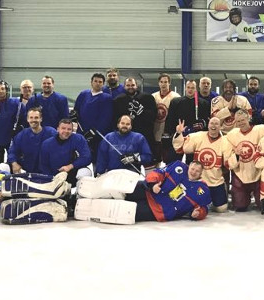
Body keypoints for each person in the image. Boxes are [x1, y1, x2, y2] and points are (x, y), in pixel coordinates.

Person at [75, 161, 211, 224]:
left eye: (197, 171)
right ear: (189, 166)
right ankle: (83, 193)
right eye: (192, 169)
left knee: (123, 210)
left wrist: (198, 214)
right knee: (121, 188)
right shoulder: (178, 167)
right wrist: (152, 185)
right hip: (150, 192)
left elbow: (204, 208)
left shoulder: (202, 190)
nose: (193, 172)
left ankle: (84, 209)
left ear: (201, 174)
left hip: (159, 209)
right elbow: (158, 173)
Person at [173, 117, 235, 213]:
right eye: (211, 123)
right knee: (189, 205)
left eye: (216, 124)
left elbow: (229, 163)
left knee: (221, 209)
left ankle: (217, 196)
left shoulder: (225, 141)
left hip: (215, 182)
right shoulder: (198, 136)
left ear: (220, 127)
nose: (213, 126)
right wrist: (179, 133)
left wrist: (236, 156)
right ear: (208, 125)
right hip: (197, 181)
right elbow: (180, 148)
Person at [225, 111, 264, 211]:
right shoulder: (231, 135)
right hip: (240, 176)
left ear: (248, 118)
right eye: (238, 121)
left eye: (243, 120)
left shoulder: (261, 130)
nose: (241, 123)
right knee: (240, 206)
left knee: (263, 205)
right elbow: (228, 163)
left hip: (257, 174)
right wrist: (236, 155)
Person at [164, 79, 211, 163]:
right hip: (179, 136)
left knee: (192, 163)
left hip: (195, 139)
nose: (190, 90)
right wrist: (170, 134)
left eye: (192, 88)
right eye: (188, 87)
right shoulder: (176, 102)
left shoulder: (204, 103)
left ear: (196, 89)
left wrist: (202, 125)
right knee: (174, 163)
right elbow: (169, 120)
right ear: (185, 88)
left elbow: (206, 122)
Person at [113, 77, 158, 159]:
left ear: (136, 86)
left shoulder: (148, 98)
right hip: (126, 136)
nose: (130, 87)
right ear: (124, 86)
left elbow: (153, 116)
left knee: (147, 158)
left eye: (133, 85)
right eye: (128, 85)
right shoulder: (118, 100)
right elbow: (115, 119)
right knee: (126, 158)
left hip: (145, 135)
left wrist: (141, 111)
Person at [73, 73, 114, 162]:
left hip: (97, 135)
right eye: (95, 81)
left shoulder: (107, 98)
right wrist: (73, 116)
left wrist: (95, 132)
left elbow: (106, 117)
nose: (97, 83)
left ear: (103, 84)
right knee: (81, 156)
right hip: (82, 132)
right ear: (91, 82)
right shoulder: (83, 94)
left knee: (96, 158)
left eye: (100, 82)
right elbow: (76, 110)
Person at [39, 119, 92, 186]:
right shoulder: (47, 144)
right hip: (55, 176)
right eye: (63, 128)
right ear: (58, 129)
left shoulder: (78, 139)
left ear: (72, 130)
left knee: (85, 172)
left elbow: (87, 157)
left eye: (69, 129)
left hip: (74, 173)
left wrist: (70, 166)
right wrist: (52, 179)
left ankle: (80, 191)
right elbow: (44, 165)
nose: (66, 131)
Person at [7, 107, 57, 174]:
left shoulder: (51, 133)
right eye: (31, 117)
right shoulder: (22, 135)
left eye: (36, 117)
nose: (33, 120)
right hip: (27, 171)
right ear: (27, 119)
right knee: (3, 167)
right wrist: (14, 163)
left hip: (47, 172)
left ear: (41, 119)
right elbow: (12, 151)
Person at [152, 73, 181, 164]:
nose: (163, 84)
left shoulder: (176, 97)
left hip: (169, 133)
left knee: (168, 160)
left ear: (169, 83)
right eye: (161, 82)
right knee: (156, 160)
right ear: (158, 83)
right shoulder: (153, 96)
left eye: (165, 82)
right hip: (156, 132)